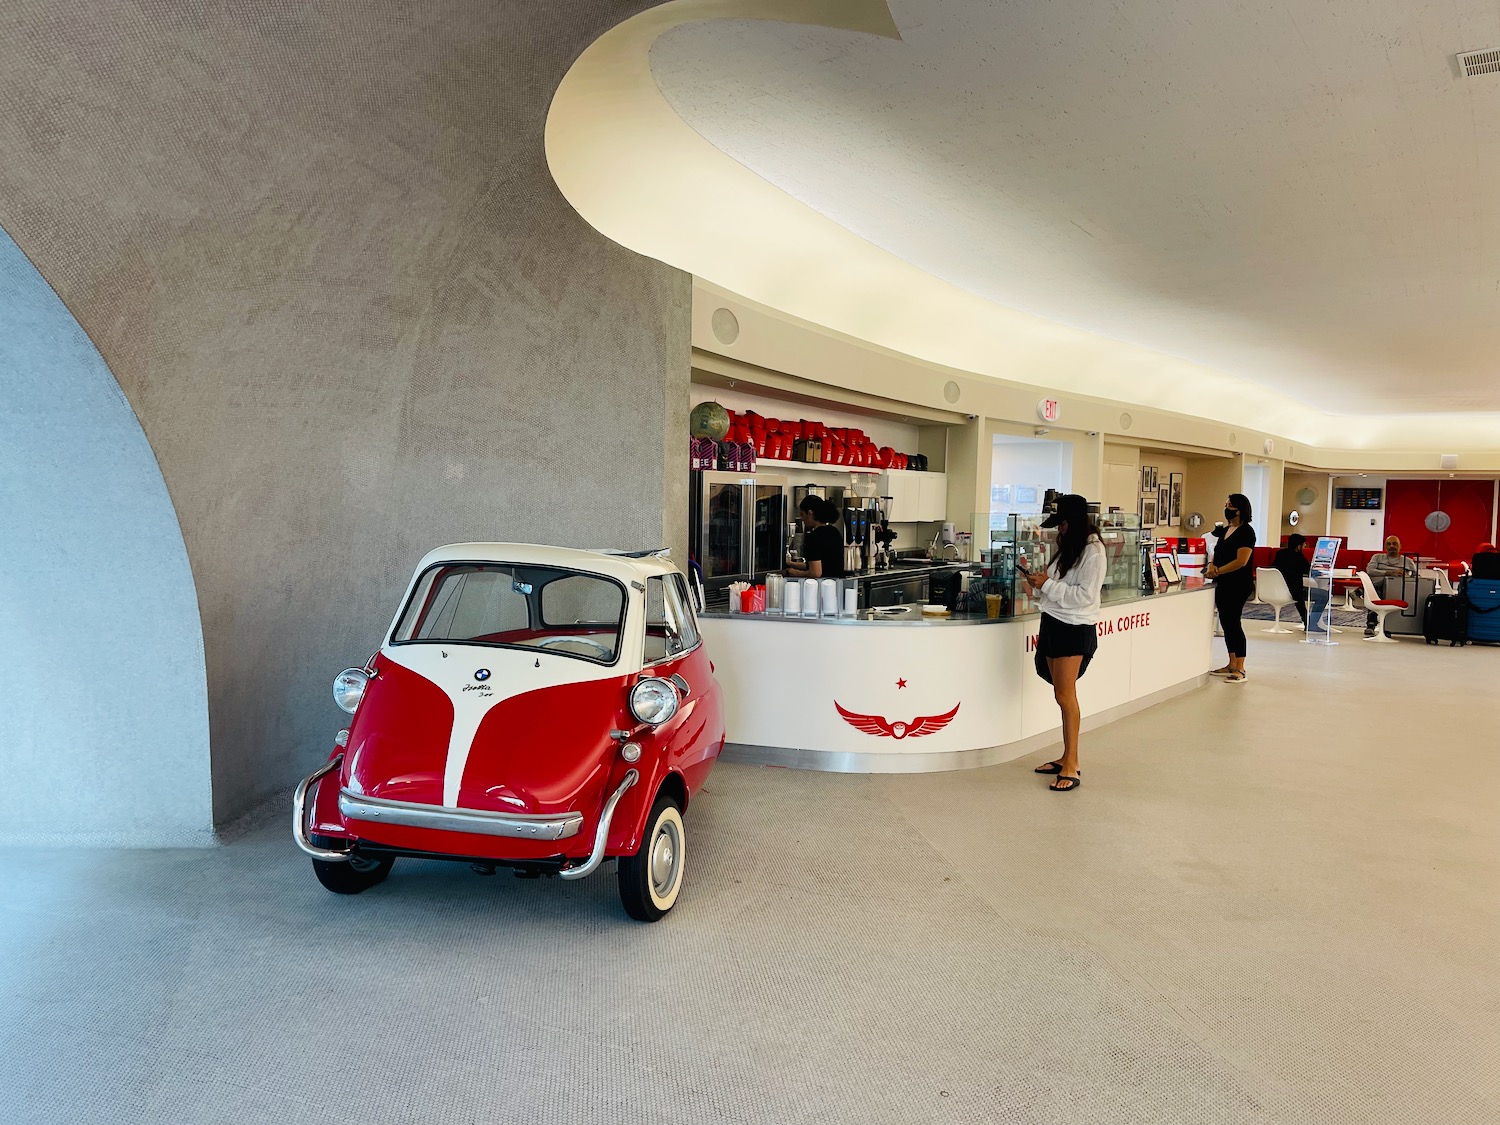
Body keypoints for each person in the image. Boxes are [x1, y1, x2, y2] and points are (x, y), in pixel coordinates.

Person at [1026, 494, 1106, 793]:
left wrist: (1045, 584)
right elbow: (1057, 588)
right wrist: (1038, 585)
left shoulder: (1094, 552)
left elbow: (1084, 597)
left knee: (1065, 695)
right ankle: (1064, 756)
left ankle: (1072, 762)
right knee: (1060, 693)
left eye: (1061, 524)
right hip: (1053, 622)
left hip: (1074, 628)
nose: (1058, 530)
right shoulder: (1069, 549)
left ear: (1072, 523)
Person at [1206, 493, 1256, 683]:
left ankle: (1241, 668)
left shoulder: (1246, 532)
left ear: (1239, 509)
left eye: (1230, 506)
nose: (1227, 508)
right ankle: (1231, 662)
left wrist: (1218, 571)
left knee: (1234, 623)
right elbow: (1216, 553)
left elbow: (1241, 561)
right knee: (1226, 623)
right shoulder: (1226, 530)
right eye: (1226, 504)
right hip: (1223, 584)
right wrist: (1212, 566)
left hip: (1238, 584)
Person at [1363, 535, 1414, 637]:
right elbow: (1370, 571)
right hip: (1378, 588)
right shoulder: (1377, 557)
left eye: (1394, 544)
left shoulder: (1407, 561)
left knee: (1377, 587)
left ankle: (1359, 591)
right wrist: (1389, 573)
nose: (1391, 546)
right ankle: (1371, 625)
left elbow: (1415, 576)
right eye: (1389, 544)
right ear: (1385, 547)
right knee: (1377, 590)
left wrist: (1404, 574)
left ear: (1400, 546)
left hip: (1398, 589)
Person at [785, 496, 845, 579]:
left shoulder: (815, 536)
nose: (802, 519)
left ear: (810, 513)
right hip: (837, 584)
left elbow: (815, 573)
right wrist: (791, 564)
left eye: (802, 514)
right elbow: (818, 564)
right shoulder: (834, 532)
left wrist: (795, 573)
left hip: (823, 586)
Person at [1273, 533, 1311, 626]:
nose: (1304, 547)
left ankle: (1307, 620)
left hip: (1276, 589)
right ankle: (1309, 622)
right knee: (1321, 596)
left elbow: (1273, 568)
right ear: (1298, 547)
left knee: (1299, 595)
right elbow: (1308, 570)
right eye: (1303, 545)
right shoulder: (1299, 557)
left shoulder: (1279, 554)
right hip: (1293, 593)